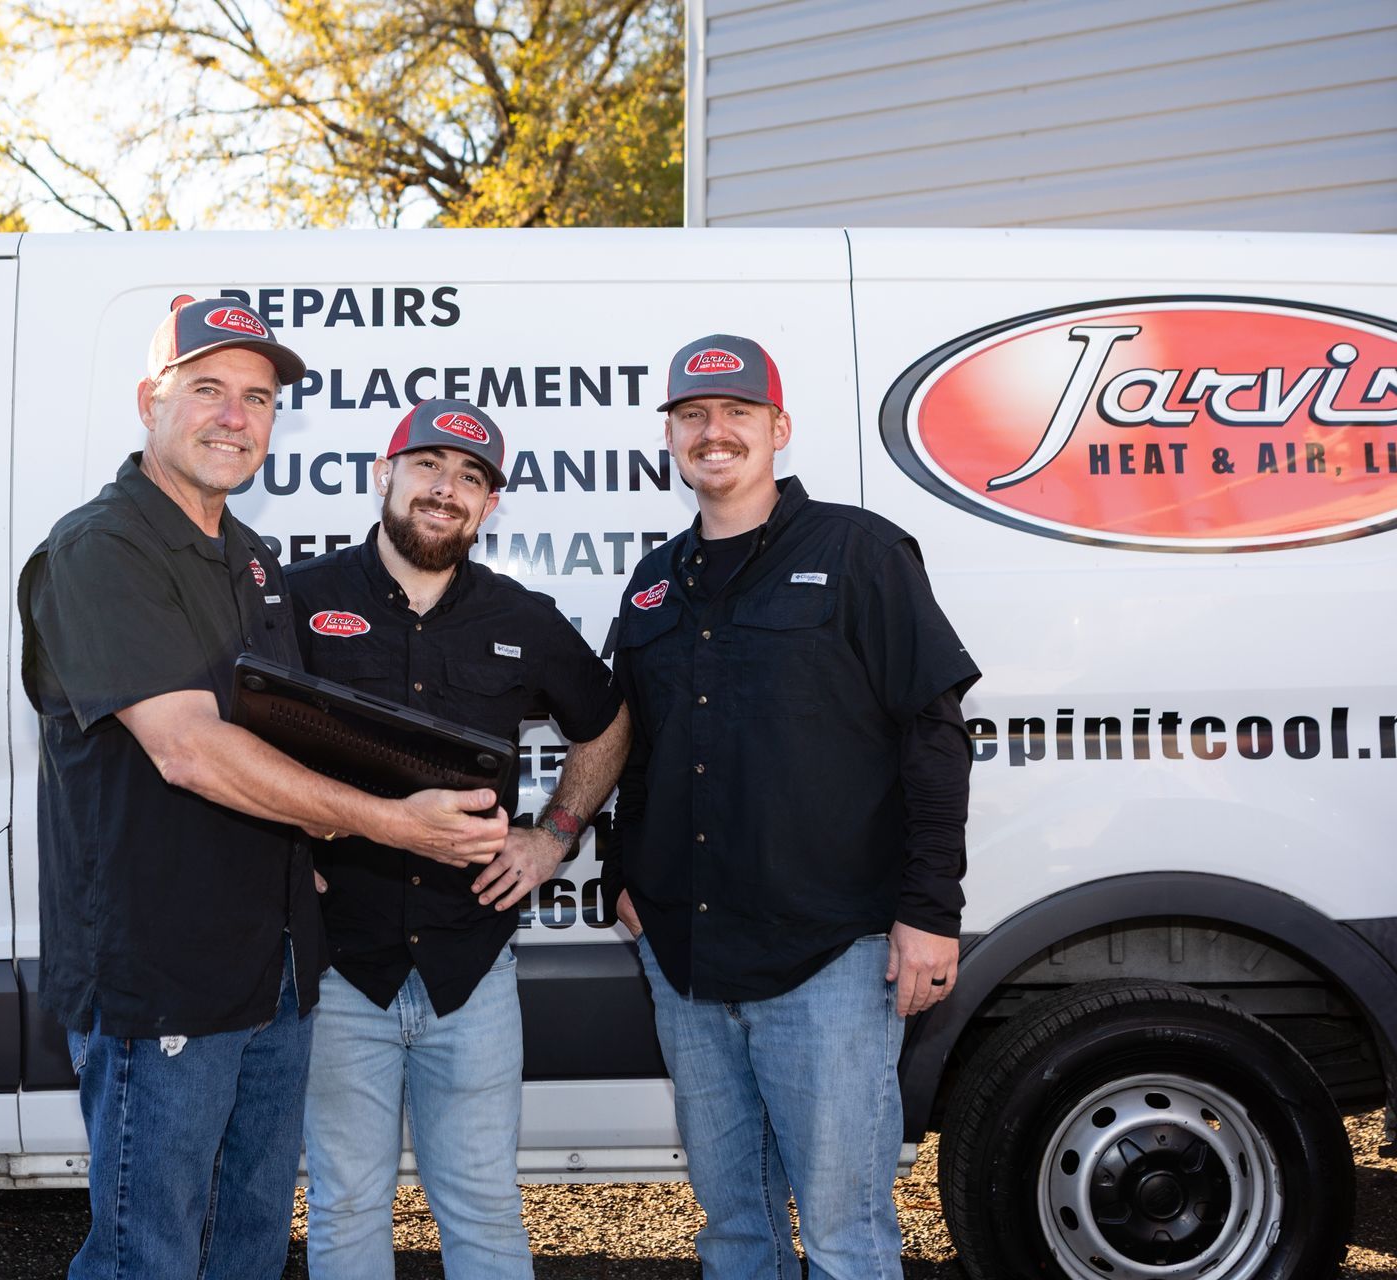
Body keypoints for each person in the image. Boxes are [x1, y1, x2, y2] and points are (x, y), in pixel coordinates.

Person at [18, 299, 510, 1279]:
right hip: (164, 976)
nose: (234, 416)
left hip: (274, 970)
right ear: (150, 401)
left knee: (243, 1245)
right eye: (207, 389)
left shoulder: (250, 557)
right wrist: (390, 822)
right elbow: (191, 751)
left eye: (257, 397)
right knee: (145, 1255)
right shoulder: (100, 551)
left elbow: (289, 734)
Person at [605, 334, 980, 1280]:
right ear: (671, 438)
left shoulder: (857, 552)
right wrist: (622, 872)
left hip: (829, 958)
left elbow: (934, 734)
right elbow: (639, 746)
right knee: (734, 1232)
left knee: (848, 1239)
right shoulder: (654, 581)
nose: (713, 431)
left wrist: (931, 912)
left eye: (736, 412)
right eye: (693, 415)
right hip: (688, 960)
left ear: (778, 428)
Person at [288, 398, 630, 1280]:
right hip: (340, 969)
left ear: (490, 506)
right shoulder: (301, 600)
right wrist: (286, 853)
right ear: (383, 476)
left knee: (481, 1206)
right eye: (429, 467)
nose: (447, 490)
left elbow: (609, 721)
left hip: (472, 969)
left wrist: (553, 835)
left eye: (471, 478)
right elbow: (244, 745)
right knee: (346, 1204)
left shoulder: (522, 616)